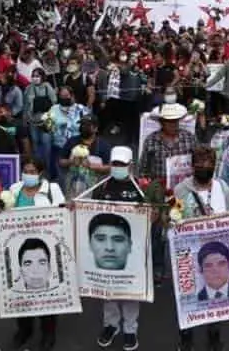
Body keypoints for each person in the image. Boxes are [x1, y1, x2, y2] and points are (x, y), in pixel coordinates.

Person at [174, 146, 229, 351]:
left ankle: (214, 335)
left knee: (215, 293)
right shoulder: (180, 190)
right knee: (188, 296)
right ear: (192, 165)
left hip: (215, 254)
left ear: (215, 165)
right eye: (200, 162)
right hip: (188, 254)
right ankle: (186, 336)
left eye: (209, 162)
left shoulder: (223, 188)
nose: (204, 166)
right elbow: (172, 220)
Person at [7, 155, 65, 351]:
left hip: (43, 247)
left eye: (33, 172)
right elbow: (4, 211)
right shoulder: (14, 190)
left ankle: (48, 332)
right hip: (19, 248)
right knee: (21, 292)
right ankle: (24, 330)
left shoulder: (52, 190)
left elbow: (61, 215)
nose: (28, 175)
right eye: (26, 171)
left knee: (46, 292)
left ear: (41, 173)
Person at [90, 145, 143, 351]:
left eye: (122, 164)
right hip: (106, 247)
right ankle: (111, 325)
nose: (118, 167)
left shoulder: (140, 187)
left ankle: (130, 329)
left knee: (130, 290)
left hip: (132, 247)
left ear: (131, 165)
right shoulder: (101, 186)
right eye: (115, 164)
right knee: (108, 289)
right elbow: (90, 213)